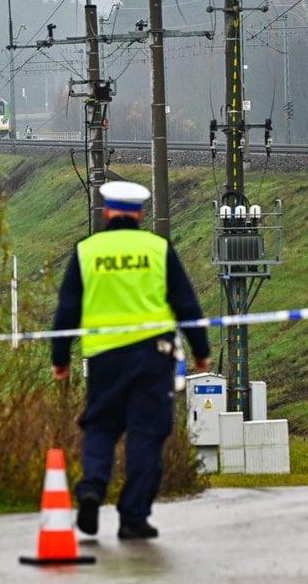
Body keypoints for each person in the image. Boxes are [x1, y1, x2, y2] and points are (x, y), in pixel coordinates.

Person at [51, 181, 211, 540]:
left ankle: (92, 488)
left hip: (103, 358)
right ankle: (133, 517)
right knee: (146, 434)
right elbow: (186, 304)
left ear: (108, 211)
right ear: (139, 214)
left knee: (101, 426)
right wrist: (201, 351)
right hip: (152, 359)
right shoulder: (158, 249)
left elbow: (67, 309)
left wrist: (60, 357)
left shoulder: (87, 251)